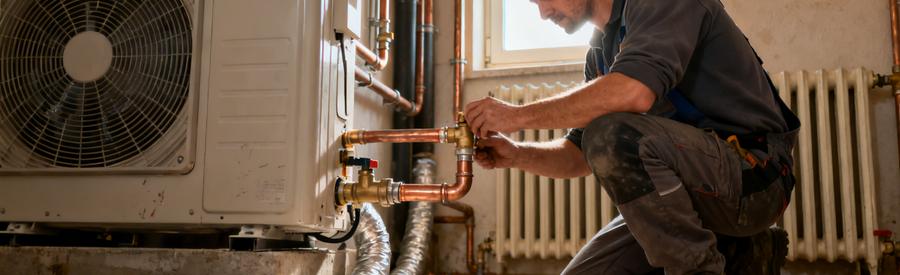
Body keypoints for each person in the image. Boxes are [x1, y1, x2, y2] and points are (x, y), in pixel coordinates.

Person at [464, 0, 800, 274]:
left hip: (754, 178)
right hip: (690, 195)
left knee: (611, 135)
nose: (542, 12)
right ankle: (742, 251)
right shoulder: (601, 55)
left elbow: (633, 93)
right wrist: (517, 153)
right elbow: (578, 154)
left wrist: (516, 115)